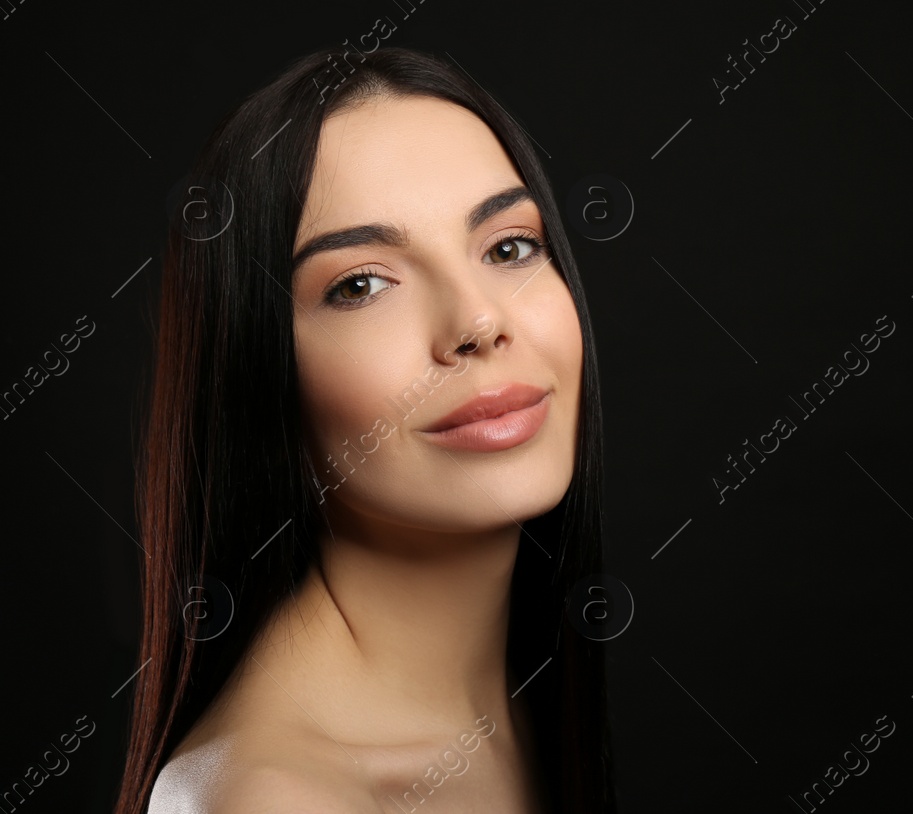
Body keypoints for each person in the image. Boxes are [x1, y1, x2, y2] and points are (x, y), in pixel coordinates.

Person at [116, 45, 615, 813]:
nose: (478, 321)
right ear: (259, 369)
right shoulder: (274, 799)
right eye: (360, 284)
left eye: (509, 247)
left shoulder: (519, 710)